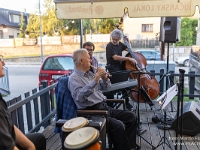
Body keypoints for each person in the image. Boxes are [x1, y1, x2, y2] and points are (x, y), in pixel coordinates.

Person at [68, 49, 140, 150]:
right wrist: (95, 80)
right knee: (118, 126)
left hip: (104, 107)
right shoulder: (74, 78)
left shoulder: (90, 74)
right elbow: (79, 97)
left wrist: (105, 79)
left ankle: (129, 147)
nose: (91, 61)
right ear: (81, 61)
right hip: (91, 113)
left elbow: (106, 88)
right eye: (89, 59)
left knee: (131, 117)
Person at [0, 55, 46, 150]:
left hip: (8, 139)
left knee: (39, 139)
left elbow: (9, 125)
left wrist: (30, 146)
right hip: (6, 144)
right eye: (0, 59)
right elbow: (6, 146)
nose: (3, 63)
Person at [106, 28, 136, 108]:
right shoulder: (109, 45)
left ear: (119, 39)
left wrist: (128, 41)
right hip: (112, 67)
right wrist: (128, 59)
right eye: (113, 39)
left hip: (119, 66)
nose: (115, 41)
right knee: (117, 84)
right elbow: (115, 57)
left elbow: (129, 50)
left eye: (116, 39)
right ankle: (111, 105)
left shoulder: (120, 44)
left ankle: (126, 102)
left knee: (125, 83)